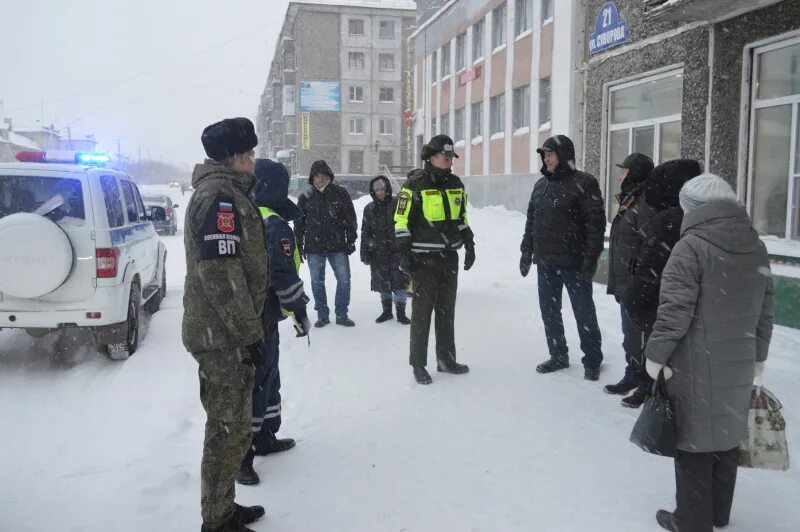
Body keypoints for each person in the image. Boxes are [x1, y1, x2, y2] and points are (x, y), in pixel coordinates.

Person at [643, 174, 774, 532]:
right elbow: (765, 307)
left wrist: (655, 356)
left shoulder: (691, 247)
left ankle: (691, 521)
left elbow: (673, 311)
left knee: (694, 440)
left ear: (694, 209)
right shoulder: (756, 245)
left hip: (695, 363)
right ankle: (717, 513)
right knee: (726, 437)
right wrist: (758, 354)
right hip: (740, 361)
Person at [182, 117, 267, 532]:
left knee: (232, 427)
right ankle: (216, 520)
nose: (253, 161)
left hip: (225, 332)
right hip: (224, 336)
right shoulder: (219, 196)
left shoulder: (226, 192)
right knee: (227, 429)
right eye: (249, 154)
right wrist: (249, 334)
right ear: (234, 158)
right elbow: (221, 275)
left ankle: (223, 507)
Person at [236, 159, 312, 486]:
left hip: (254, 313)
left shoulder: (248, 215)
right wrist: (300, 311)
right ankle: (243, 457)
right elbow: (281, 274)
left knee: (267, 377)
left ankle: (265, 435)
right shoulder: (274, 224)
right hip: (262, 315)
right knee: (258, 382)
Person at [519, 135, 606, 381]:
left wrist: (590, 259)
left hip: (575, 263)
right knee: (549, 311)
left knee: (583, 312)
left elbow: (595, 225)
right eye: (544, 154)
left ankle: (592, 359)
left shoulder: (584, 183)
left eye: (550, 153)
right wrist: (526, 252)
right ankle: (558, 354)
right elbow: (531, 222)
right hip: (546, 262)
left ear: (564, 155)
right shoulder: (541, 186)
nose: (546, 158)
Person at [621, 159, 702, 408]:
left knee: (656, 347)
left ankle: (654, 393)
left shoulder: (667, 222)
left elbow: (650, 269)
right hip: (677, 301)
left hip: (660, 300)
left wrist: (634, 300)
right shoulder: (692, 218)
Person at [395, 134, 475, 385]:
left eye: (452, 156)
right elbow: (401, 221)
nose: (450, 161)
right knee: (421, 314)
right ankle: (418, 364)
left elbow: (462, 218)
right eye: (446, 156)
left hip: (449, 257)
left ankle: (446, 359)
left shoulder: (456, 184)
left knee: (446, 311)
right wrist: (405, 253)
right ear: (431, 156)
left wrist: (470, 243)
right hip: (424, 259)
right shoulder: (414, 185)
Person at [294, 160, 358, 327]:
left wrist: (350, 240)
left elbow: (350, 219)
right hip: (314, 248)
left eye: (322, 176)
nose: (319, 180)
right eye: (316, 176)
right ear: (312, 178)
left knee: (344, 280)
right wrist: (298, 247)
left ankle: (342, 314)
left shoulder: (340, 194)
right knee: (317, 282)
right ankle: (322, 315)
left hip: (337, 246)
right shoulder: (305, 196)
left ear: (329, 177)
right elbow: (299, 223)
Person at [361, 175, 411, 325]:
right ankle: (387, 311)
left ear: (387, 189)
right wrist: (366, 250)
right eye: (377, 190)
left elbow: (407, 225)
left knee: (399, 283)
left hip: (397, 252)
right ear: (373, 192)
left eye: (382, 189)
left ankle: (401, 313)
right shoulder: (369, 209)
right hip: (378, 253)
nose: (380, 192)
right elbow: (365, 231)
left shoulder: (397, 204)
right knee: (383, 283)